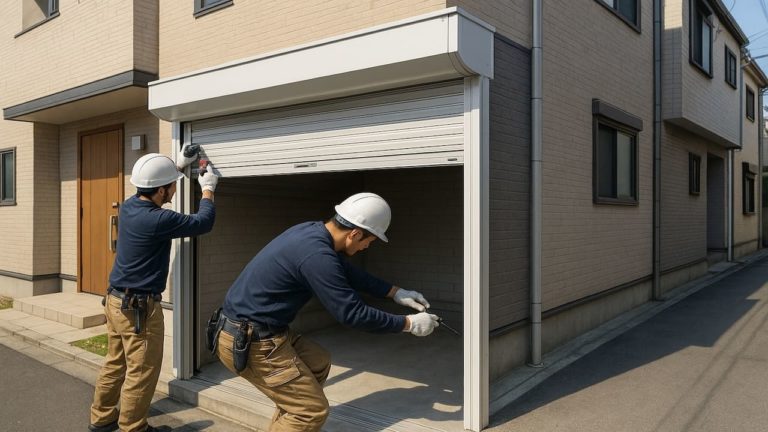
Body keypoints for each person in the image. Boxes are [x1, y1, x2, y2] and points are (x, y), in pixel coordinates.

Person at [210, 192, 440, 432]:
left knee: (317, 362)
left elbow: (347, 273)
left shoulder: (311, 232)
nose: (365, 247)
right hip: (252, 341)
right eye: (368, 242)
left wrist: (395, 292)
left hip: (259, 331)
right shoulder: (317, 255)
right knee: (310, 412)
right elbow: (353, 314)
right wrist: (409, 324)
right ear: (355, 234)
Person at [88, 147, 219, 432]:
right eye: (171, 185)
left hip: (115, 300)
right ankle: (134, 428)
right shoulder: (159, 220)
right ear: (161, 191)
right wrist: (207, 189)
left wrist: (178, 167)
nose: (174, 190)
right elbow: (203, 222)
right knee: (142, 371)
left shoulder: (129, 206)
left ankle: (102, 419)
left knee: (115, 363)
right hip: (138, 309)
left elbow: (155, 187)